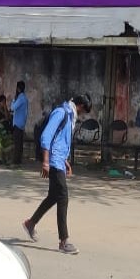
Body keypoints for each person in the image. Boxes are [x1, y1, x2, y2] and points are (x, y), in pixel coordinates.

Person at [22, 94, 91, 255]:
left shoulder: (69, 115)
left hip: (58, 160)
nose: (81, 114)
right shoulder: (61, 112)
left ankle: (31, 223)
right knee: (63, 196)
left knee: (54, 196)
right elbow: (46, 136)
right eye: (83, 111)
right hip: (53, 161)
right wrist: (46, 162)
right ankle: (64, 241)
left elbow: (61, 141)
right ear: (79, 105)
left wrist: (65, 160)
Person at [10, 80, 29, 166]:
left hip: (17, 123)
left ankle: (15, 161)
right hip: (21, 123)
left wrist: (14, 99)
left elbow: (12, 108)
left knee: (17, 143)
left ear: (18, 89)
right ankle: (18, 160)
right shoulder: (24, 98)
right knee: (19, 143)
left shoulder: (20, 98)